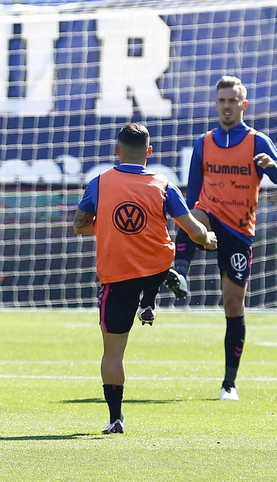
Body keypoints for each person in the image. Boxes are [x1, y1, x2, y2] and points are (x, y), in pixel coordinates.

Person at [73, 123, 217, 434]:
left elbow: (79, 224)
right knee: (163, 256)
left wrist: (106, 227)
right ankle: (150, 298)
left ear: (117, 150)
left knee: (113, 351)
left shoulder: (100, 182)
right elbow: (193, 229)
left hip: (116, 274)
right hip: (155, 266)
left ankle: (115, 419)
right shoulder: (163, 185)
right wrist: (208, 239)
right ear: (149, 152)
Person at [179, 75, 277, 401]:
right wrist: (189, 227)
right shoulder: (203, 143)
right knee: (195, 216)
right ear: (215, 104)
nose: (227, 106)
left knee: (233, 305)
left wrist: (272, 167)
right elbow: (191, 195)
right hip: (209, 216)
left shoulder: (258, 141)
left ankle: (229, 382)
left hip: (240, 232)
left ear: (244, 104)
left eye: (233, 101)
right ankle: (179, 271)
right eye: (222, 101)